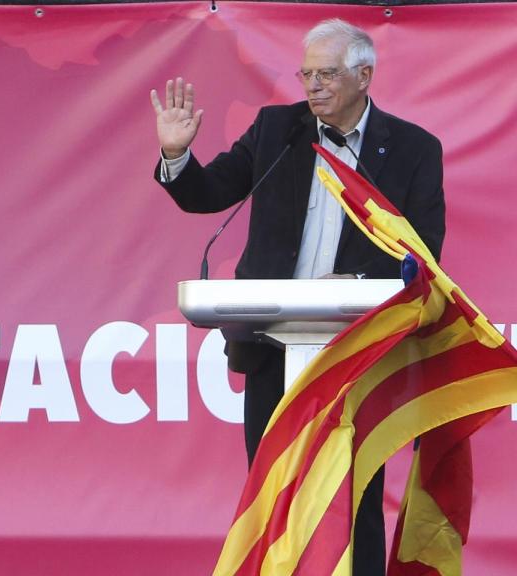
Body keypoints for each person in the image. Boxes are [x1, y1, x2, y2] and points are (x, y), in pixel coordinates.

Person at [150, 18, 445, 576]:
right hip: (273, 346)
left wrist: (358, 285)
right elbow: (209, 193)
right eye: (306, 73)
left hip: (357, 351)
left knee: (350, 492)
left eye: (327, 74)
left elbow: (423, 253)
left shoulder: (412, 149)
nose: (313, 86)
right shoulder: (277, 130)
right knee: (274, 493)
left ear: (365, 75)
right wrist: (177, 158)